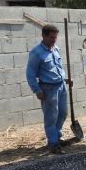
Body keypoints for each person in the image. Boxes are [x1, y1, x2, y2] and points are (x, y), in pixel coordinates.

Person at [25, 24, 70, 154]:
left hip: (61, 86)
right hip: (48, 88)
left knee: (62, 113)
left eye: (55, 37)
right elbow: (30, 74)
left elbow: (57, 68)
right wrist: (37, 90)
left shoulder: (56, 49)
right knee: (51, 117)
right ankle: (53, 143)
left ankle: (57, 136)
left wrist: (65, 79)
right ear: (43, 36)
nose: (54, 40)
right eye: (51, 38)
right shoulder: (36, 53)